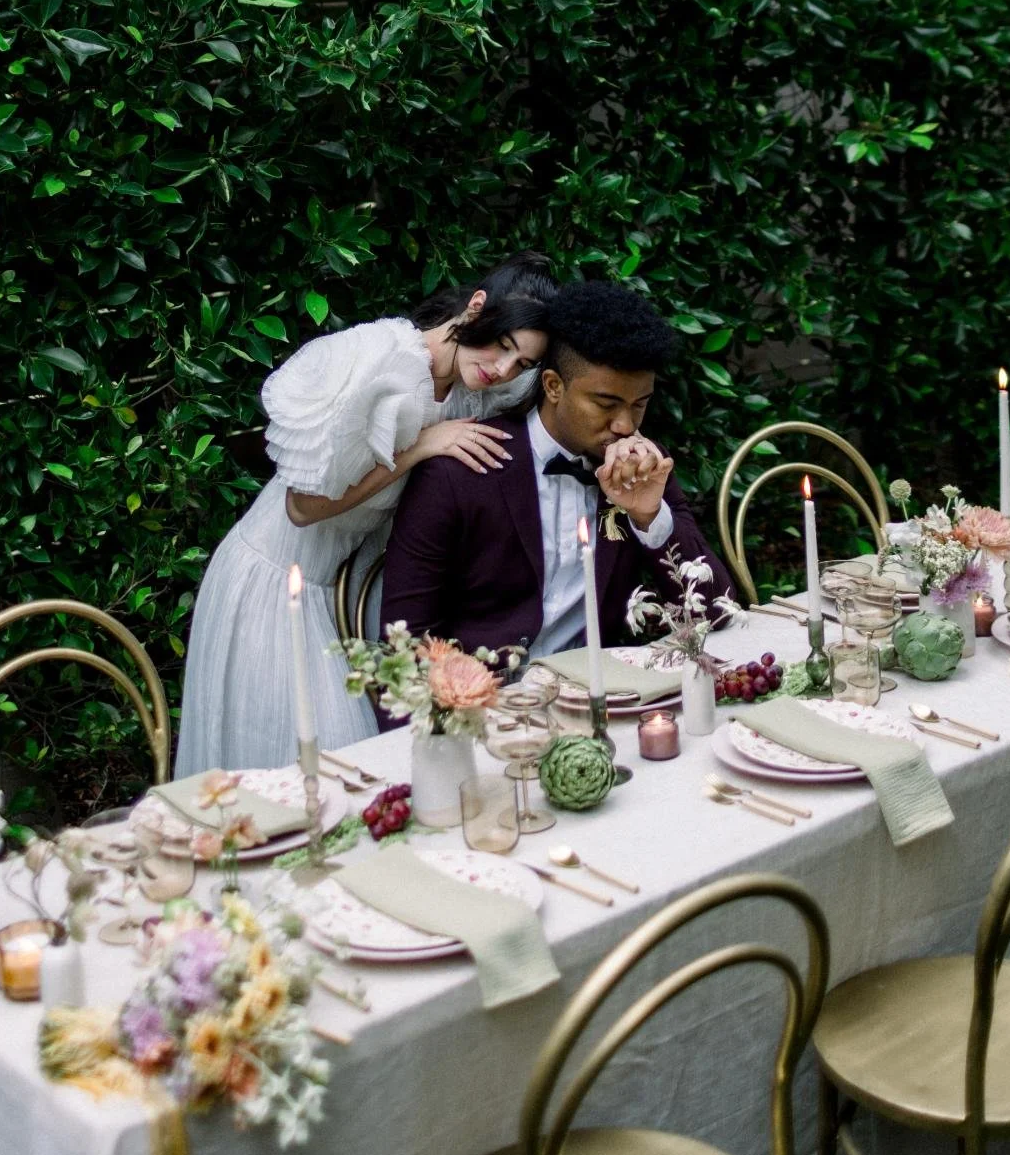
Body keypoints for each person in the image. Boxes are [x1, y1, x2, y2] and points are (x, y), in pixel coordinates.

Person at [174, 252, 556, 775]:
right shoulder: (384, 361)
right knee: (298, 775)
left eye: (523, 364)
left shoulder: (470, 391)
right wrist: (420, 447)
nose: (502, 370)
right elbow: (303, 506)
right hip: (273, 581)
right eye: (503, 345)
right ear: (476, 307)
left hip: (338, 592)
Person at [380, 280, 732, 659]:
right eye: (606, 404)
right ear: (552, 386)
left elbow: (716, 613)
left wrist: (649, 516)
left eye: (639, 404)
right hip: (488, 703)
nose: (625, 426)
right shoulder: (458, 473)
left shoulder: (645, 467)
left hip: (606, 697)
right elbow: (403, 645)